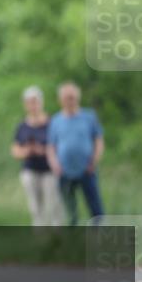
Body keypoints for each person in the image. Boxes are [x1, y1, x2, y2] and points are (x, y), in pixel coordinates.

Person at [46, 82, 105, 225]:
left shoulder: (89, 117)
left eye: (72, 97)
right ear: (60, 100)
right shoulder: (56, 120)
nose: (70, 101)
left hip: (87, 169)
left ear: (78, 98)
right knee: (69, 208)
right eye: (66, 98)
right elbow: (51, 146)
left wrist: (94, 160)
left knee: (95, 206)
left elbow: (98, 141)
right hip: (64, 171)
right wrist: (55, 165)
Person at [11, 86, 62, 226]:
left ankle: (57, 234)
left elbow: (60, 146)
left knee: (53, 205)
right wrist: (27, 150)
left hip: (50, 170)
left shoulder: (52, 123)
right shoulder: (22, 126)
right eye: (29, 102)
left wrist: (44, 150)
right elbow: (15, 150)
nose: (33, 105)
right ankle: (40, 234)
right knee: (35, 207)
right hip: (30, 170)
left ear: (41, 102)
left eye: (35, 101)